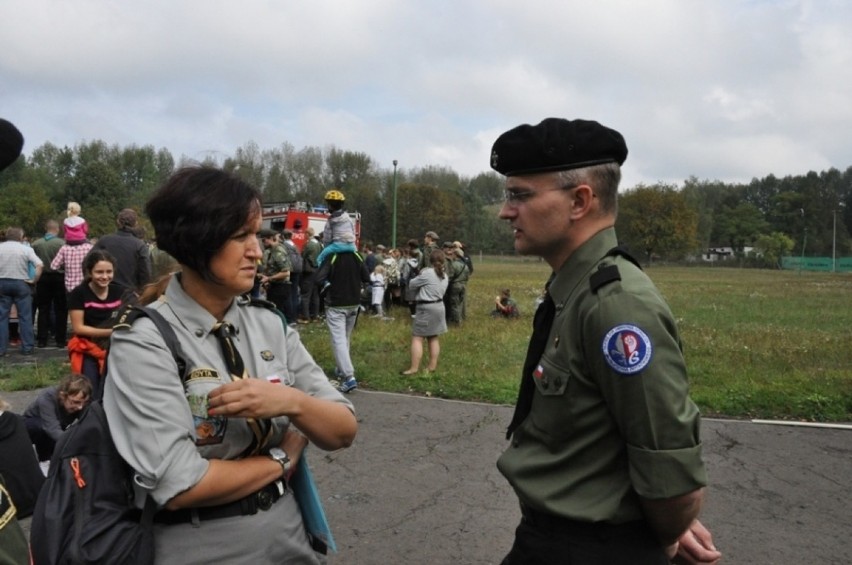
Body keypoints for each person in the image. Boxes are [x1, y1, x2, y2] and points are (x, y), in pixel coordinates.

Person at [491, 117, 721, 565]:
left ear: (580, 201)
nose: (506, 210)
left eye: (520, 194)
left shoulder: (616, 305)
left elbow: (671, 474)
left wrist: (667, 531)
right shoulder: (575, 290)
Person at [103, 166, 357, 565]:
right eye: (240, 236)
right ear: (194, 243)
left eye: (255, 235)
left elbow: (342, 430)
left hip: (289, 536)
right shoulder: (145, 339)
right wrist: (282, 458)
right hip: (202, 545)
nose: (256, 250)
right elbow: (180, 483)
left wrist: (292, 402)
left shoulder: (268, 323)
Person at [66, 250, 124, 398]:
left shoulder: (120, 291)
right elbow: (78, 328)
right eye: (99, 272)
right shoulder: (78, 293)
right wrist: (112, 331)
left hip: (116, 348)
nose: (105, 276)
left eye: (109, 272)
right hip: (88, 349)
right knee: (91, 391)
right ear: (89, 272)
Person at [323, 247, 370, 393]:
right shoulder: (357, 255)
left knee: (338, 340)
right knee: (345, 337)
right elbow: (367, 277)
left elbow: (318, 277)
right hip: (354, 304)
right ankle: (340, 367)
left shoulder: (333, 255)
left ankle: (349, 377)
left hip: (336, 304)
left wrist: (327, 286)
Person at [23, 373, 92, 462]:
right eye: (76, 402)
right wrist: (76, 445)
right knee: (42, 428)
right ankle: (45, 461)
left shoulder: (79, 403)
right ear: (62, 396)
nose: (80, 407)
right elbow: (52, 429)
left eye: (84, 402)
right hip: (32, 428)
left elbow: (89, 423)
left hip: (56, 428)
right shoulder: (47, 397)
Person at [399, 249, 448, 375]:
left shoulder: (428, 273)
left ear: (430, 260)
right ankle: (432, 366)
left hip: (426, 308)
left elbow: (412, 284)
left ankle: (414, 368)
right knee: (433, 337)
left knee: (417, 338)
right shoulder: (444, 275)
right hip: (439, 307)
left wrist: (419, 273)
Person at [0, 227, 42, 356]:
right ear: (20, 237)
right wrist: (34, 280)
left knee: (2, 317)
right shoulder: (26, 249)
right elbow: (39, 265)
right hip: (21, 283)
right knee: (25, 317)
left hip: (2, 282)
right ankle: (27, 347)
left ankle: (1, 348)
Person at [91, 208, 151, 294]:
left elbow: (87, 263)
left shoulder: (104, 240)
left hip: (103, 291)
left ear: (118, 222)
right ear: (135, 224)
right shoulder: (140, 245)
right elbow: (146, 274)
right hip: (128, 295)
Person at [31, 219, 68, 348]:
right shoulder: (62, 243)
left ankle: (42, 339)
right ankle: (60, 339)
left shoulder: (36, 244)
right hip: (59, 277)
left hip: (43, 278)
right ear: (57, 229)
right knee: (61, 309)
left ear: (46, 229)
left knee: (43, 309)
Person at [258, 229, 294, 323]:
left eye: (264, 240)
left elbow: (286, 272)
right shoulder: (271, 251)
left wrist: (269, 278)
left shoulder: (278, 251)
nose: (263, 243)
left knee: (276, 314)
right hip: (275, 286)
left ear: (271, 238)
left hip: (281, 287)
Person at [316, 189, 357, 267]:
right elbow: (353, 231)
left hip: (336, 246)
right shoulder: (348, 218)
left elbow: (327, 239)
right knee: (359, 260)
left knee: (319, 259)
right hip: (351, 246)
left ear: (330, 206)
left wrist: (327, 248)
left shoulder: (330, 220)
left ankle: (325, 279)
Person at [442, 241, 470, 326]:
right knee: (460, 303)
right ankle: (460, 318)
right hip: (463, 285)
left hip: (455, 285)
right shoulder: (465, 265)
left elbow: (450, 275)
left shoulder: (453, 265)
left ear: (456, 255)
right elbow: (467, 276)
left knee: (454, 304)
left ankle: (457, 322)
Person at [298, 227, 322, 323]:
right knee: (315, 295)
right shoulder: (319, 244)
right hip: (317, 271)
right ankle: (315, 316)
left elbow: (303, 255)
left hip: (309, 271)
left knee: (305, 295)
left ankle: (305, 317)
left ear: (307, 234)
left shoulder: (308, 244)